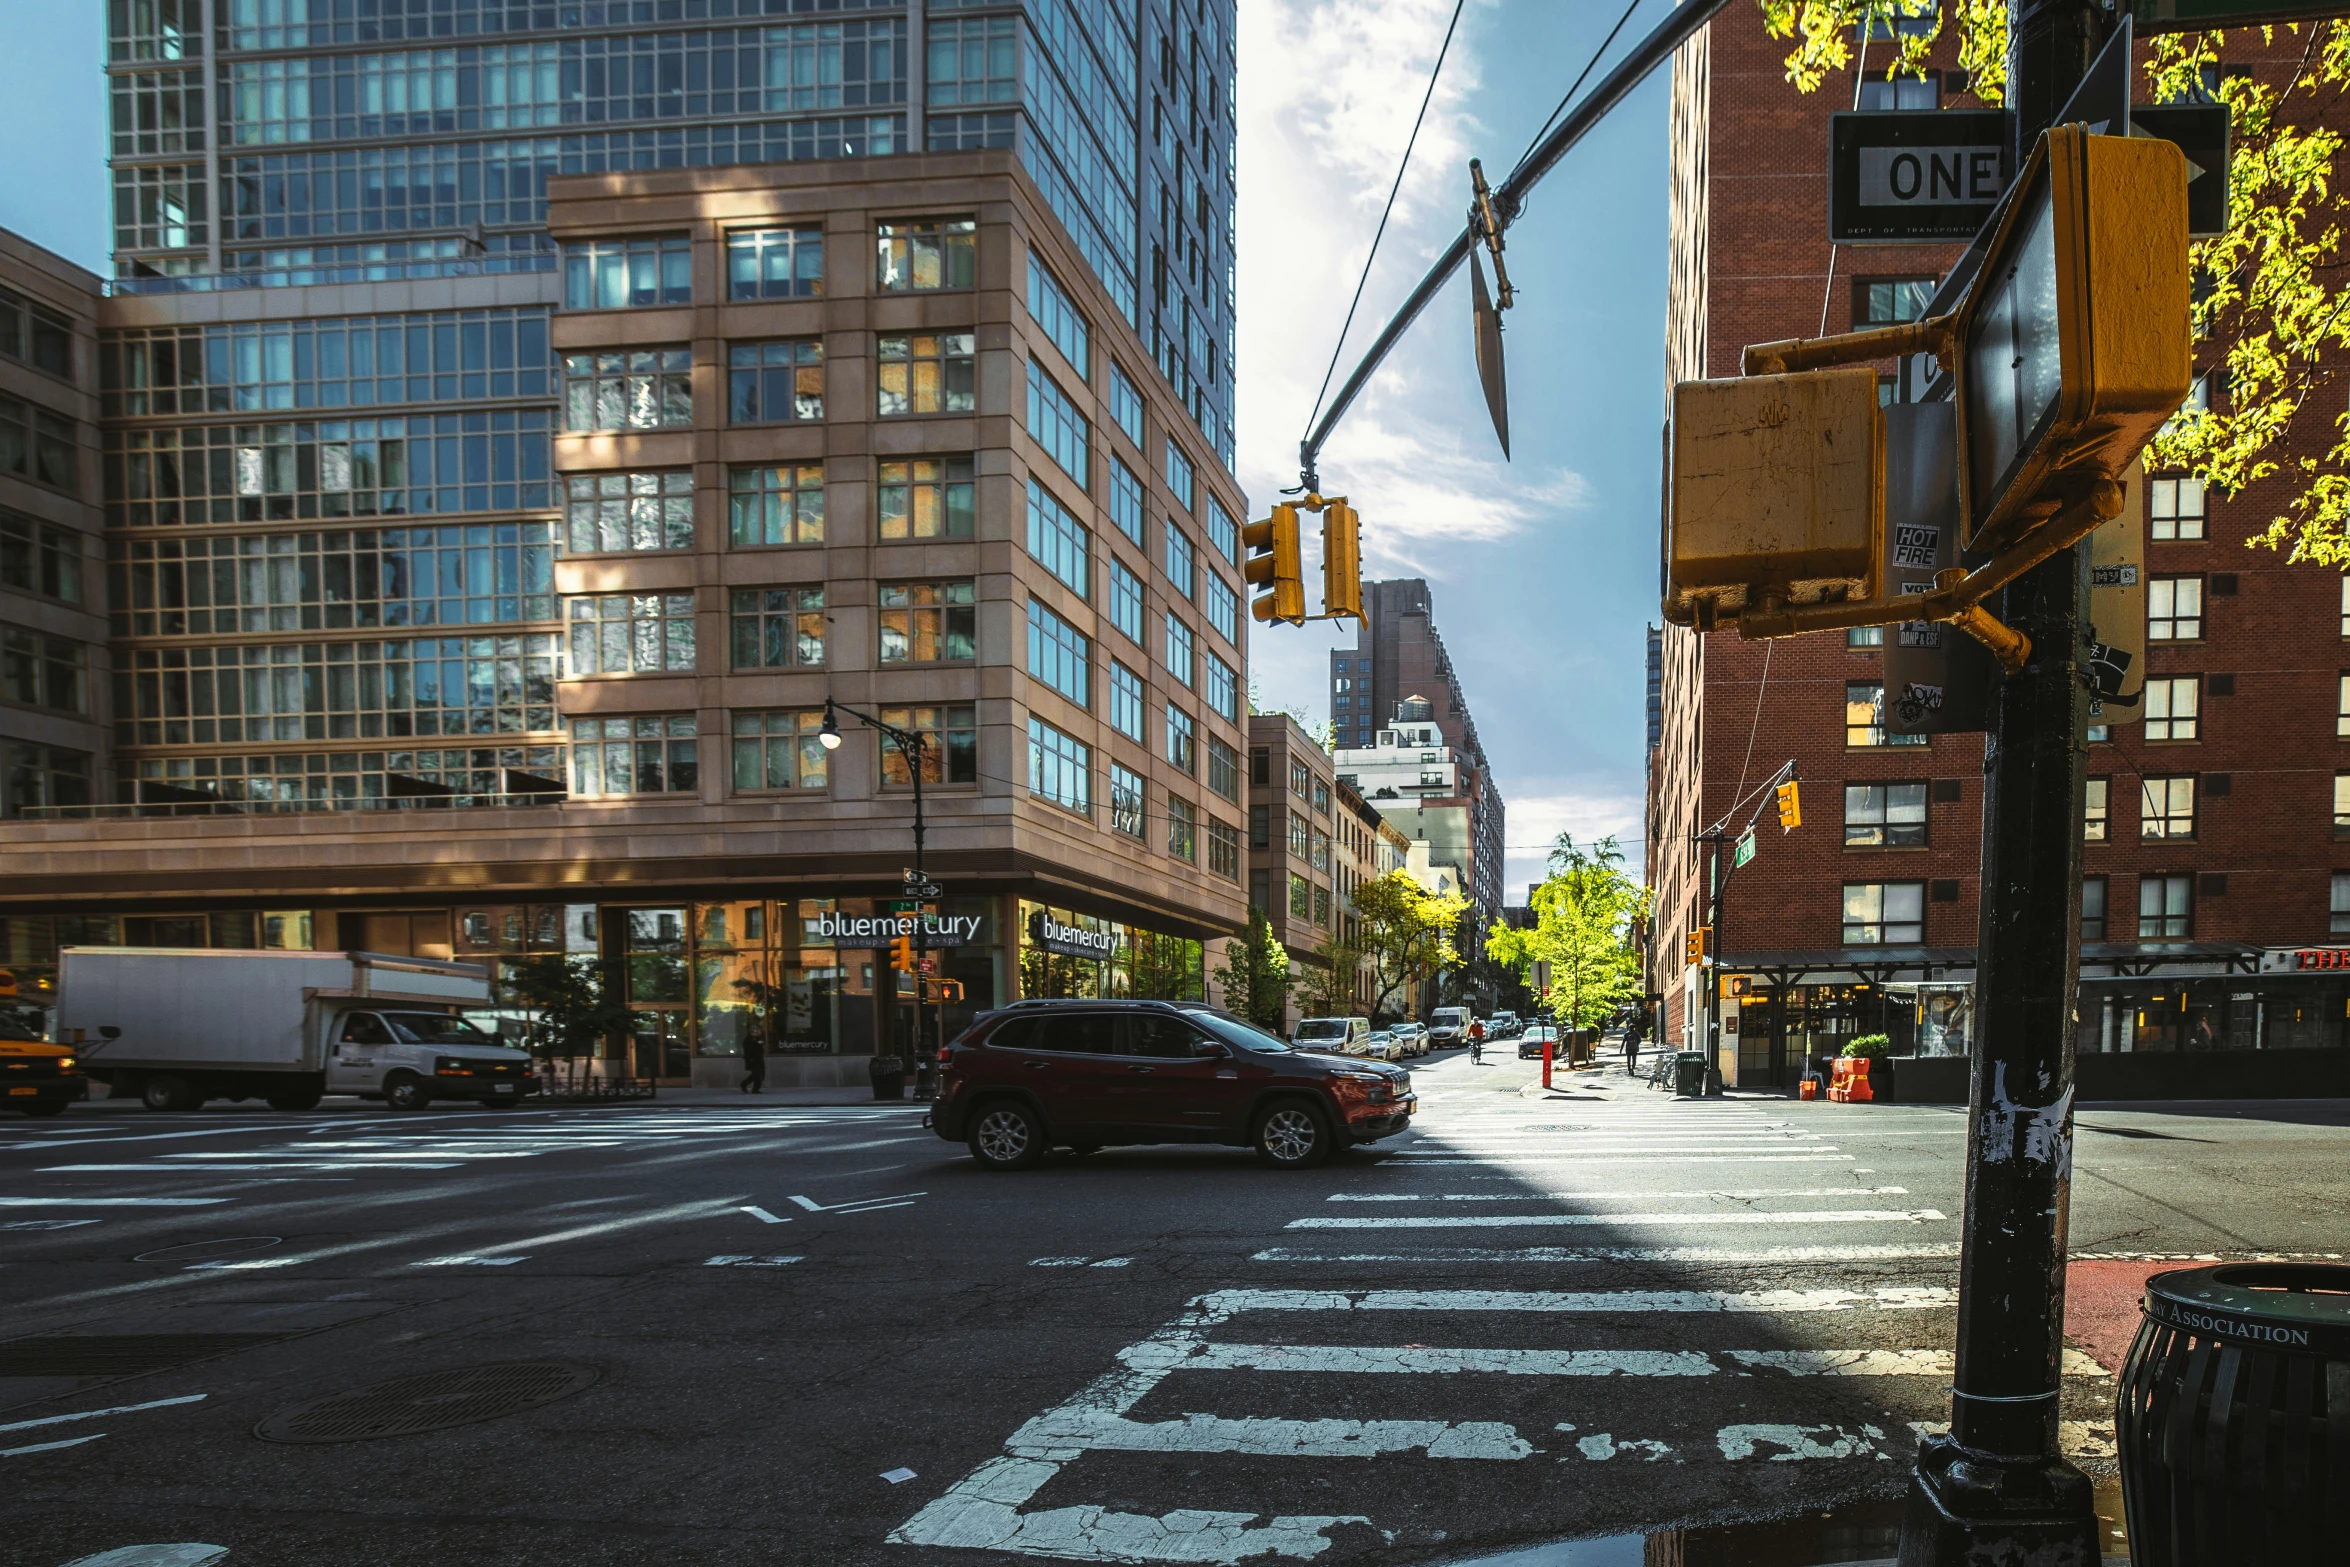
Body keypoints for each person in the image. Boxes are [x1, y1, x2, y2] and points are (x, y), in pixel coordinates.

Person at [740, 1029, 766, 1094]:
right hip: (752, 1060)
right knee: (756, 1074)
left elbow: (760, 1049)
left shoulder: (758, 1039)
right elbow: (750, 1049)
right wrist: (757, 1044)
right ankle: (744, 1084)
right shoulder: (748, 1040)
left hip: (758, 1059)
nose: (755, 1034)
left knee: (758, 1075)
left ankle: (755, 1088)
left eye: (756, 1032)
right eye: (754, 1033)